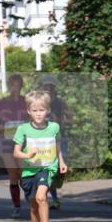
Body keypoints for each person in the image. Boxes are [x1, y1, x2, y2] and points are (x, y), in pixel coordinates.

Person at [12, 90, 68, 222]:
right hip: (29, 171)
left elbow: (57, 145)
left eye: (41, 110)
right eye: (35, 110)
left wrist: (62, 161)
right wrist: (27, 155)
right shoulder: (23, 129)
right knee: (34, 207)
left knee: (41, 196)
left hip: (47, 167)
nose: (38, 114)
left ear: (48, 110)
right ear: (29, 111)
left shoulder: (54, 127)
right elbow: (16, 152)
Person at [0, 73, 29, 217]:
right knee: (13, 173)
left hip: (23, 142)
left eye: (18, 84)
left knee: (23, 172)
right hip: (6, 142)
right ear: (8, 86)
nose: (15, 87)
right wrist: (1, 127)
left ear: (21, 86)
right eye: (12, 84)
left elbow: (34, 117)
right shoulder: (1, 103)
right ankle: (17, 206)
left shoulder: (26, 101)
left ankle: (27, 191)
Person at [42, 78, 72, 209]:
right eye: (46, 86)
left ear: (54, 88)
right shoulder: (41, 103)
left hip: (61, 136)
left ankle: (56, 185)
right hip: (45, 139)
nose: (48, 89)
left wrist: (64, 122)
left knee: (61, 167)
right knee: (49, 170)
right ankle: (54, 199)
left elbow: (70, 117)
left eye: (51, 86)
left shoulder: (61, 102)